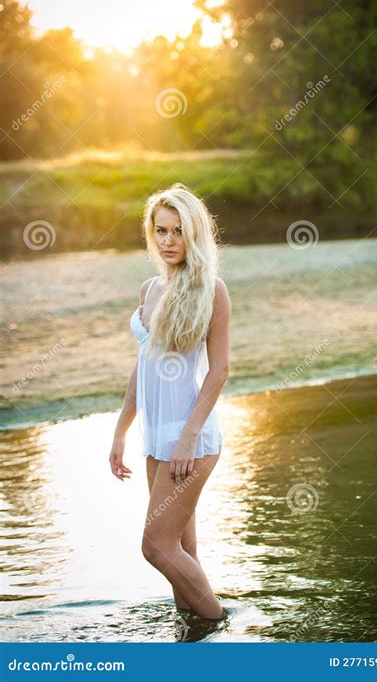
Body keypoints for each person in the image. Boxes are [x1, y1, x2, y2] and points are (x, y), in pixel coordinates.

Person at [109, 184, 231, 621]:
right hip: (156, 437)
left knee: (156, 546)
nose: (168, 241)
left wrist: (186, 439)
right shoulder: (149, 289)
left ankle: (219, 627)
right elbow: (143, 365)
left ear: (194, 234)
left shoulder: (211, 290)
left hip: (191, 440)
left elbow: (219, 371)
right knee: (181, 547)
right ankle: (193, 637)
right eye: (160, 230)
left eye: (178, 231)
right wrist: (121, 431)